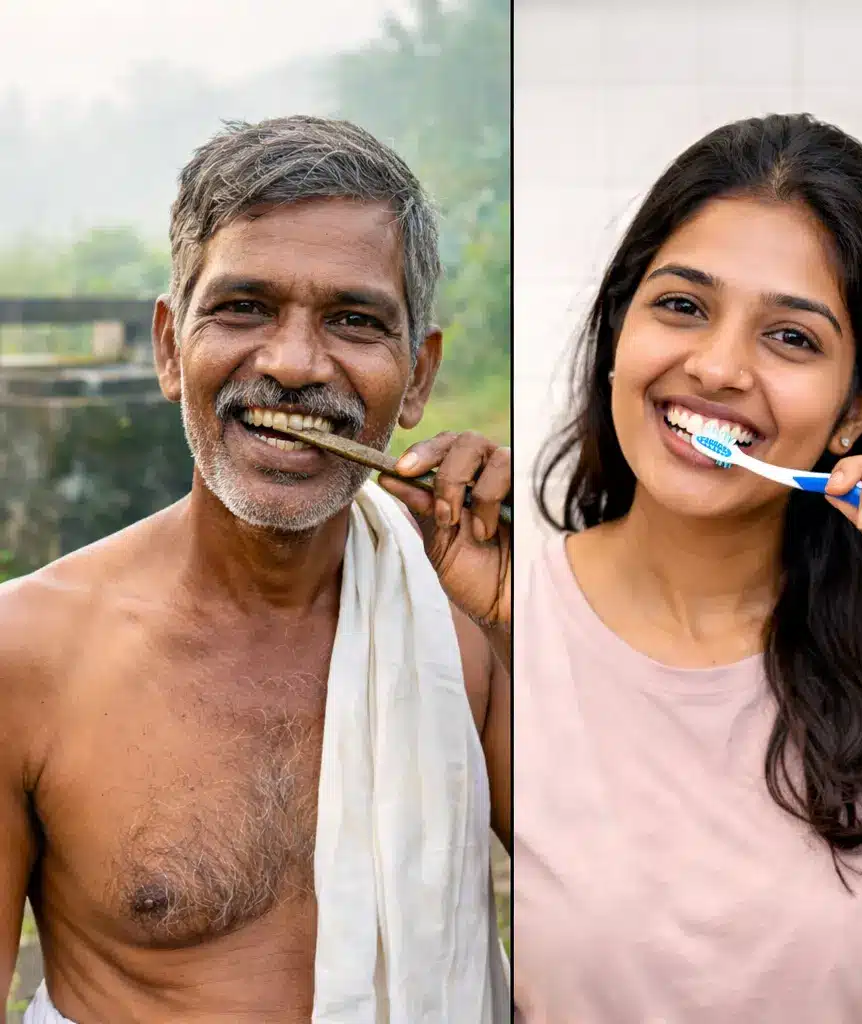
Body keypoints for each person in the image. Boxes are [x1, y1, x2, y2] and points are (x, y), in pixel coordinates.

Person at [514, 113, 862, 1023]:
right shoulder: (501, 630)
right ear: (619, 330)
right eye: (681, 305)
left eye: (791, 337)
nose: (715, 365)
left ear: (853, 411)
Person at [0, 116, 510, 1023]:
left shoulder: (470, 629)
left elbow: (641, 912)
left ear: (419, 375)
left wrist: (532, 622)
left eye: (354, 320)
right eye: (243, 307)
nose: (293, 364)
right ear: (168, 346)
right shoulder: (26, 657)